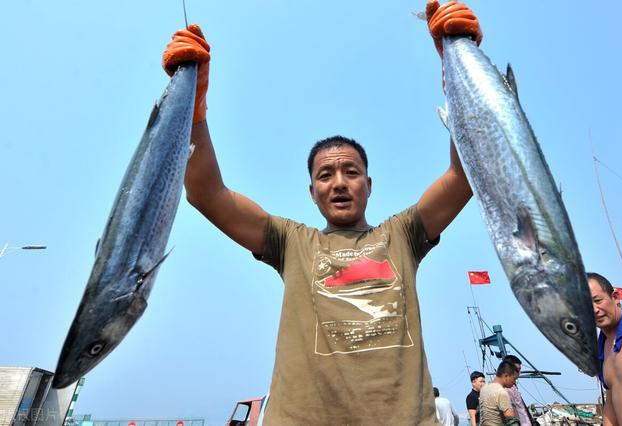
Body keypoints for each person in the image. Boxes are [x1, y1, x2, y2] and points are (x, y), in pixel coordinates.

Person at [162, 1, 482, 424]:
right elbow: (206, 194)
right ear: (312, 193)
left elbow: (464, 177)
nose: (339, 182)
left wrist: (461, 76)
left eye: (351, 172)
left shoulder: (403, 234)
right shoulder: (291, 241)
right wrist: (194, 111)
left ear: (369, 186)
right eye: (326, 174)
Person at [587, 272, 622, 425]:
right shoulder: (602, 348)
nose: (594, 310)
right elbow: (612, 400)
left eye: (597, 300)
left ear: (615, 297)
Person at [479, 361, 519, 426]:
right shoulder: (501, 392)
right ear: (506, 376)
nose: (514, 382)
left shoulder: (484, 388)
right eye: (514, 379)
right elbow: (511, 420)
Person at [502, 355, 535, 426]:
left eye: (519, 370)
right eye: (517, 369)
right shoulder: (506, 389)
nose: (519, 372)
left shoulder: (513, 386)